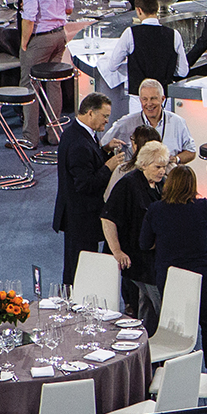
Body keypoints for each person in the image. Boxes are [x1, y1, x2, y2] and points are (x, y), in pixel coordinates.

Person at [140, 163, 207, 381]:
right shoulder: (202, 207)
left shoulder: (156, 209)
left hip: (170, 277)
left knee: (175, 325)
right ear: (192, 186)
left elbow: (144, 243)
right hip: (201, 275)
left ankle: (176, 375)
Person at [54, 92, 122, 287]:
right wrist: (109, 166)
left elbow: (87, 163)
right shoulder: (79, 144)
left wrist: (105, 149)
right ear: (91, 113)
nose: (107, 121)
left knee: (75, 265)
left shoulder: (76, 132)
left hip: (76, 215)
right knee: (80, 268)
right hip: (82, 217)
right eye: (105, 116)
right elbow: (85, 184)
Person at [101, 138, 168, 321]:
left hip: (155, 258)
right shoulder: (128, 185)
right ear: (144, 165)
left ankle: (148, 341)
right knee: (160, 305)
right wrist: (117, 251)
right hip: (137, 258)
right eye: (157, 167)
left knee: (147, 306)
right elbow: (107, 219)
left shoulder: (162, 184)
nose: (162, 171)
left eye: (164, 166)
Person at [17, 0, 74, 148]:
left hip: (40, 39)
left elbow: (29, 18)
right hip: (60, 36)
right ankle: (54, 134)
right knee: (54, 84)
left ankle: (30, 138)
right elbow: (69, 9)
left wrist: (24, 42)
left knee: (29, 85)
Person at [101, 0, 189, 93]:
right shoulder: (174, 35)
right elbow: (183, 72)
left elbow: (112, 66)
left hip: (137, 97)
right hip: (163, 97)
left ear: (138, 10)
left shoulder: (130, 33)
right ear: (157, 9)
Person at [104, 79, 195, 164]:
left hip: (168, 176)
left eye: (153, 98)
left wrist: (176, 159)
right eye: (145, 99)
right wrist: (108, 147)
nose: (149, 103)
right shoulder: (125, 123)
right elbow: (103, 146)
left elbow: (191, 151)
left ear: (162, 99)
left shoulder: (178, 122)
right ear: (140, 100)